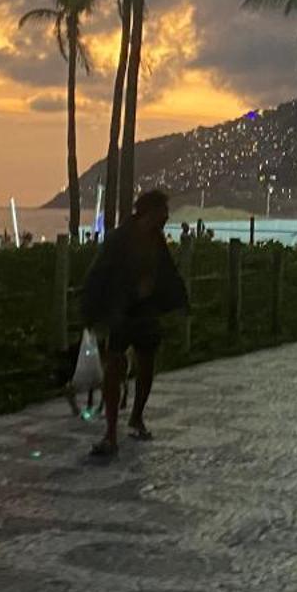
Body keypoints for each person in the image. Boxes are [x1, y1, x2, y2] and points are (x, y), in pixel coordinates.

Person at [80, 187, 188, 459]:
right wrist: (96, 311)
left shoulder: (157, 240)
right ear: (148, 212)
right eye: (162, 211)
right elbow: (100, 273)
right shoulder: (120, 239)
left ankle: (137, 417)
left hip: (147, 312)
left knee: (147, 367)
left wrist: (178, 302)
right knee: (114, 368)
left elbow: (168, 272)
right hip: (122, 311)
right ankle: (111, 433)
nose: (166, 217)